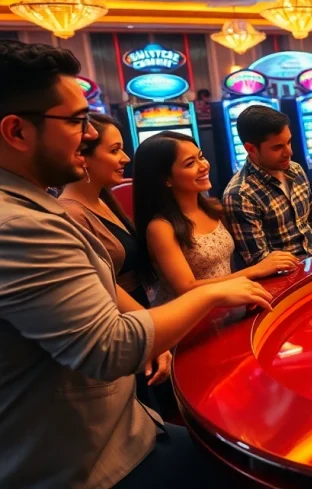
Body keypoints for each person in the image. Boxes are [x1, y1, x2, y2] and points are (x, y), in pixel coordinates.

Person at [0, 40, 271, 489]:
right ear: (17, 132)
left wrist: (150, 326)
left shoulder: (31, 206)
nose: (90, 136)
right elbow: (111, 350)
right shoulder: (20, 226)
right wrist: (211, 291)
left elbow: (106, 295)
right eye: (76, 121)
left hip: (118, 428)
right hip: (88, 464)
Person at [57, 113, 172, 414]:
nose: (124, 158)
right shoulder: (71, 213)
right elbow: (104, 283)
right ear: (83, 157)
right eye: (114, 150)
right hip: (118, 321)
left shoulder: (104, 198)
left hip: (138, 311)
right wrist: (153, 334)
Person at [134, 132, 299, 305]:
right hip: (189, 318)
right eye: (190, 163)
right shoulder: (161, 227)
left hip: (225, 303)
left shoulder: (212, 208)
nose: (203, 165)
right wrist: (255, 271)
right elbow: (186, 289)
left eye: (201, 157)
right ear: (166, 179)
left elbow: (226, 268)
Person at [222, 105, 312, 265]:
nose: (289, 152)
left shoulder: (295, 169)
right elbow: (260, 262)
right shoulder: (240, 195)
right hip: (286, 277)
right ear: (251, 149)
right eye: (278, 147)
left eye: (289, 142)